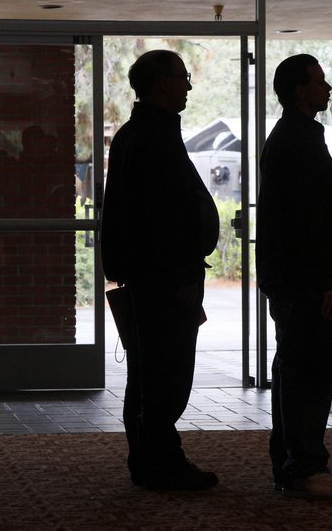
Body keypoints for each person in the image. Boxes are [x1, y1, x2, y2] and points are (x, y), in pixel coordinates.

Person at [100, 50, 220, 490]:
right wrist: (186, 272)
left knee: (149, 375)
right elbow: (163, 217)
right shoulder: (155, 136)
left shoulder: (139, 132)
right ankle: (162, 462)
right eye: (182, 77)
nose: (188, 85)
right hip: (167, 280)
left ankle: (148, 461)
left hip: (154, 277)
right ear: (161, 83)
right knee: (166, 375)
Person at [256, 54, 332, 500]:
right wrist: (327, 284)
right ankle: (305, 466)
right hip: (303, 282)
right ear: (299, 90)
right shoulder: (299, 142)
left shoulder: (290, 137)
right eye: (319, 81)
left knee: (296, 370)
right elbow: (309, 223)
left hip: (293, 280)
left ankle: (293, 464)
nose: (327, 87)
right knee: (307, 375)